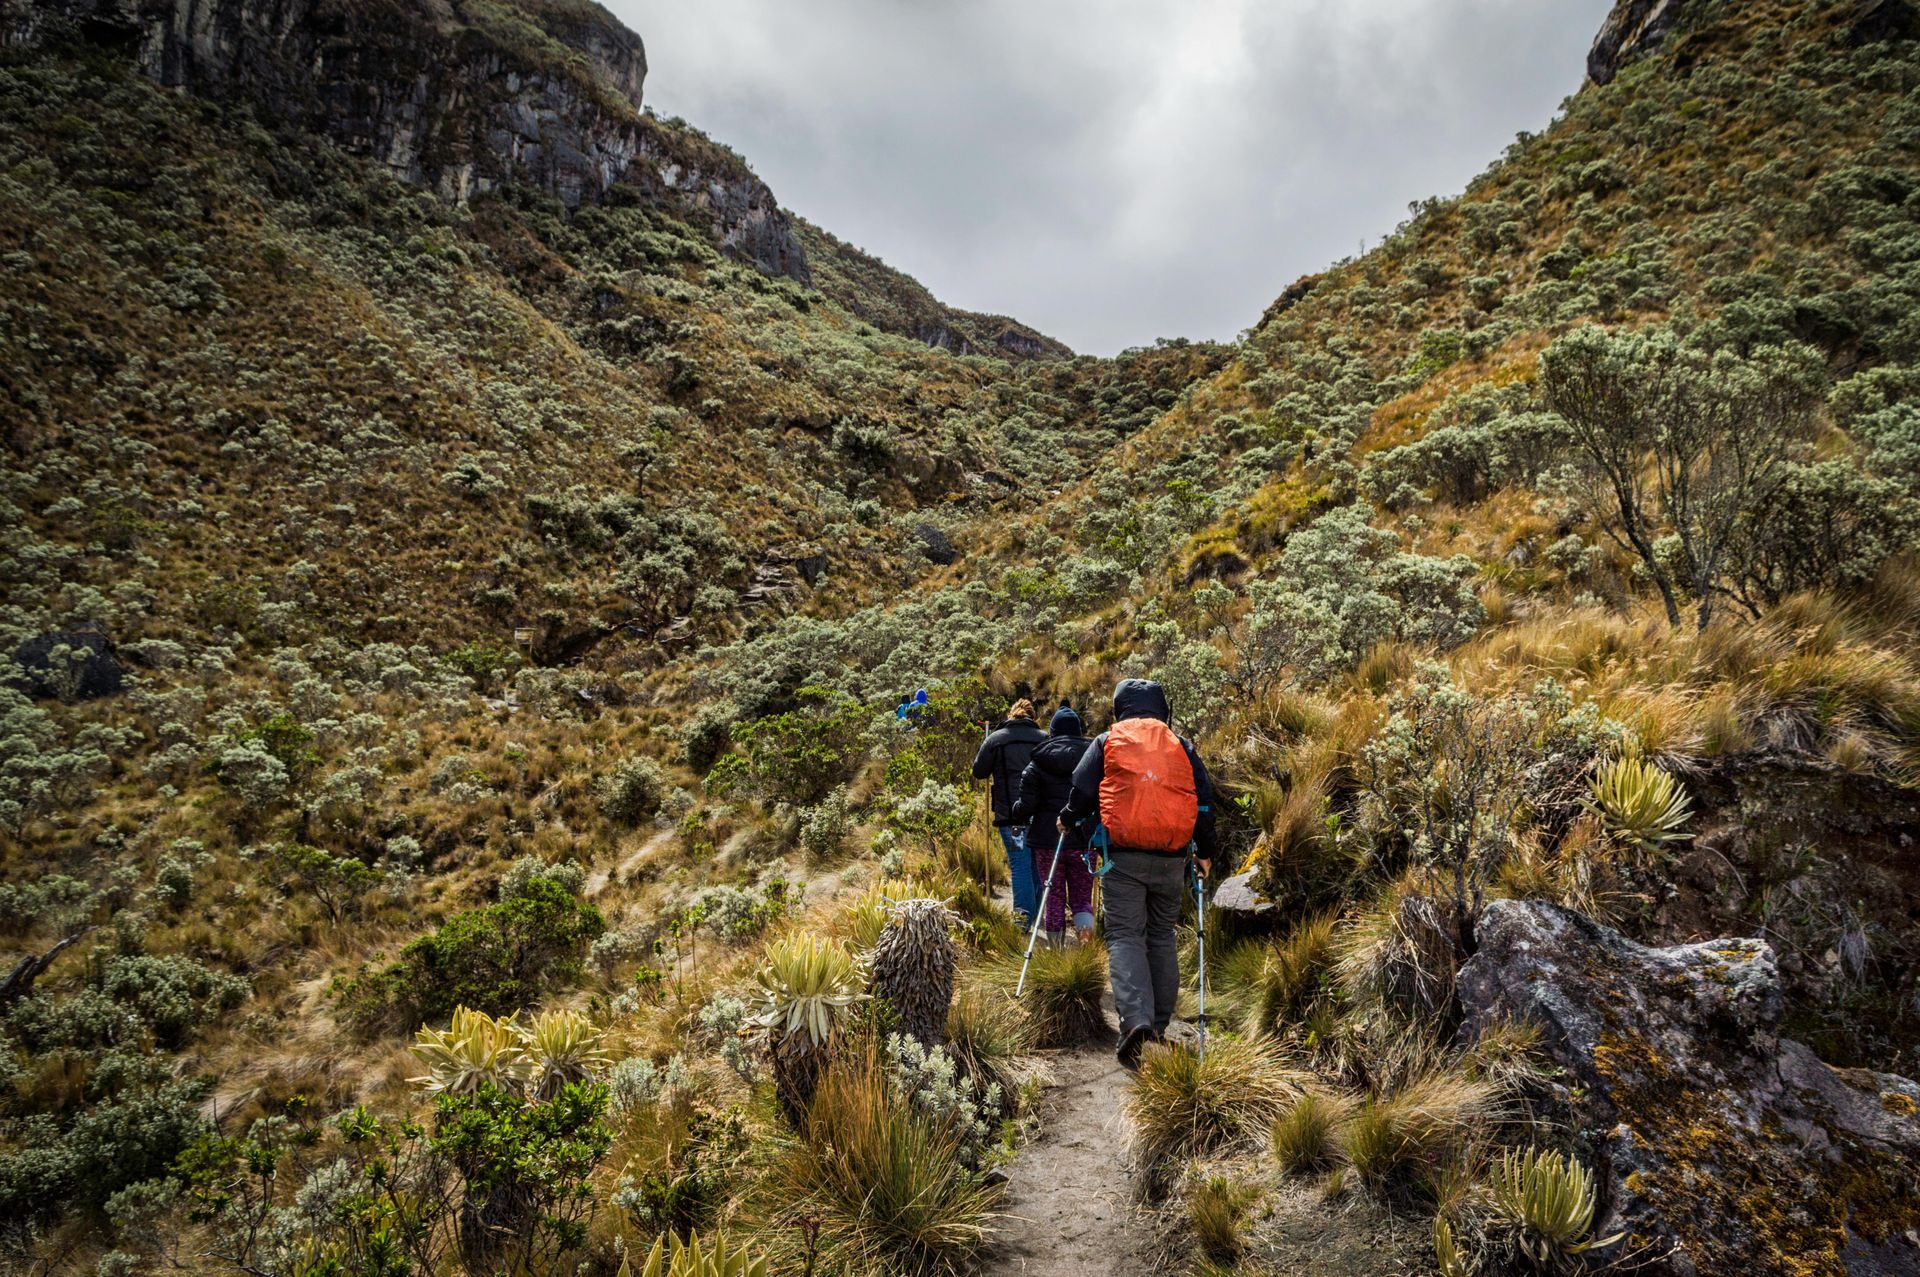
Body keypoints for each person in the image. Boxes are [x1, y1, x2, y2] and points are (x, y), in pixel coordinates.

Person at [1060, 678, 1218, 1070]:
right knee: (1162, 936)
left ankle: (1136, 1022)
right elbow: (1204, 801)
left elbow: (1081, 790)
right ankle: (1159, 1025)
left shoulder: (1108, 740)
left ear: (1120, 707)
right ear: (1162, 707)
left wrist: (1068, 818)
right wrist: (1207, 853)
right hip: (1172, 857)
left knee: (1126, 935)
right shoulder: (1181, 744)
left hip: (1123, 857)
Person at [1011, 704, 1095, 947]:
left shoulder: (1037, 764)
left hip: (1047, 842)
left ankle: (1056, 953)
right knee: (1081, 897)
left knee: (1053, 895)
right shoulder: (1092, 760)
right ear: (1078, 731)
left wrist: (1015, 811)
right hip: (1084, 840)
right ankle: (1086, 947)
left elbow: (1026, 806)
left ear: (1052, 732)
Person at [971, 698, 1047, 925]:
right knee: (1036, 864)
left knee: (1020, 863)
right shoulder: (1044, 740)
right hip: (1041, 814)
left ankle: (1022, 919)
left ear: (1010, 715)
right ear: (1033, 717)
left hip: (1010, 814)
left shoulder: (996, 740)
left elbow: (979, 771)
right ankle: (1035, 917)